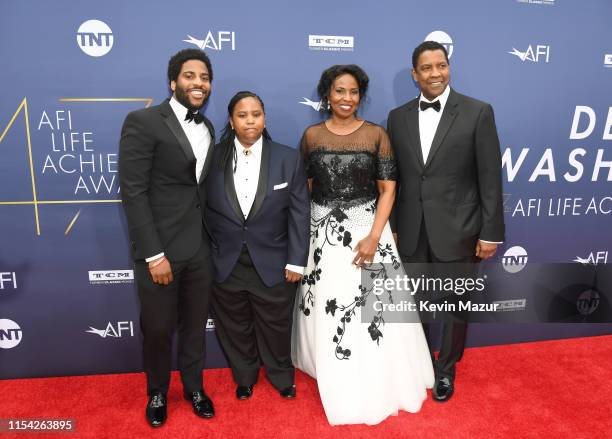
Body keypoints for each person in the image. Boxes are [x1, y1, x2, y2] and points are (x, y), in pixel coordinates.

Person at [292, 65, 434, 426]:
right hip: (324, 234)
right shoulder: (311, 136)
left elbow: (388, 189)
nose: (346, 98)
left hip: (369, 231)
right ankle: (331, 364)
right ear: (327, 95)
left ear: (360, 96)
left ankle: (379, 371)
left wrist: (373, 236)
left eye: (353, 92)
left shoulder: (376, 135)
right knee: (329, 303)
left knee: (376, 309)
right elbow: (305, 188)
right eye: (339, 91)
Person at [386, 41, 505, 402]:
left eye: (441, 65)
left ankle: (446, 369)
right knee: (415, 303)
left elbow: (490, 177)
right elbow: (396, 179)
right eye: (426, 68)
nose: (435, 73)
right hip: (412, 229)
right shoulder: (397, 117)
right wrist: (392, 224)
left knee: (455, 304)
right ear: (414, 74)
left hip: (461, 229)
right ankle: (419, 365)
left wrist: (491, 232)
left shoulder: (477, 112)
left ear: (449, 67)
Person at [119, 48, 216, 427]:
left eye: (205, 77)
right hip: (160, 250)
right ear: (173, 81)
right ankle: (157, 391)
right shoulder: (143, 122)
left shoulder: (207, 128)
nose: (199, 84)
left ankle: (194, 387)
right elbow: (134, 192)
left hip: (199, 249)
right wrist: (153, 254)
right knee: (158, 329)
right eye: (190, 76)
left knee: (194, 327)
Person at [205, 91, 310, 400]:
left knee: (277, 326)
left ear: (264, 118)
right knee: (234, 326)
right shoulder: (213, 157)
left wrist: (296, 260)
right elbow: (200, 209)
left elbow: (300, 211)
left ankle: (281, 376)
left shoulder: (287, 157)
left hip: (275, 261)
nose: (250, 120)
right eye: (242, 115)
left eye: (256, 114)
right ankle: (245, 375)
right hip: (226, 262)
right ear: (231, 120)